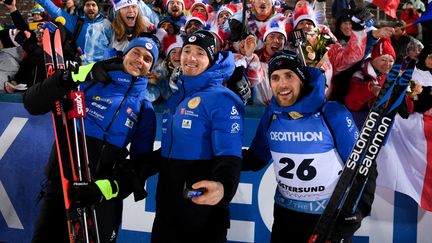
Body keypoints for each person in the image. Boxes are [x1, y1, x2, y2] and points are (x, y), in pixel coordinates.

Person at [23, 36, 159, 243]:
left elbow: (140, 166)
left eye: (148, 58)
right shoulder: (92, 81)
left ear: (150, 68)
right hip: (63, 184)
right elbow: (33, 103)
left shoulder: (144, 108)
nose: (140, 60)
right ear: (125, 54)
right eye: (136, 53)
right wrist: (72, 76)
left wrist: (108, 188)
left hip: (99, 194)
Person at [242, 50, 374, 243]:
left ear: (301, 80)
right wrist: (216, 162)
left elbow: (365, 166)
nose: (282, 84)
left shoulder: (332, 113)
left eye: (289, 76)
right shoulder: (272, 115)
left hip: (327, 219)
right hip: (285, 217)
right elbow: (256, 159)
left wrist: (356, 214)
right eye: (275, 77)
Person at [151, 30, 244, 242]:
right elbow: (170, 152)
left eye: (200, 52)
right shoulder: (176, 97)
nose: (190, 58)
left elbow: (229, 156)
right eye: (187, 51)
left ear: (211, 60)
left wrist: (223, 186)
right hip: (166, 211)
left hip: (202, 215)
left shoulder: (223, 98)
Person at [84, 0, 153, 64]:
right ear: (116, 12)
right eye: (125, 7)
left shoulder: (142, 24)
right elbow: (92, 64)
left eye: (133, 6)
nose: (131, 10)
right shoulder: (102, 29)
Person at [35, 0, 105, 54]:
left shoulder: (107, 24)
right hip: (85, 66)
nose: (90, 8)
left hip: (106, 67)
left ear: (98, 8)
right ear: (83, 8)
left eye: (93, 5)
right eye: (87, 5)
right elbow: (55, 11)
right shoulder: (76, 23)